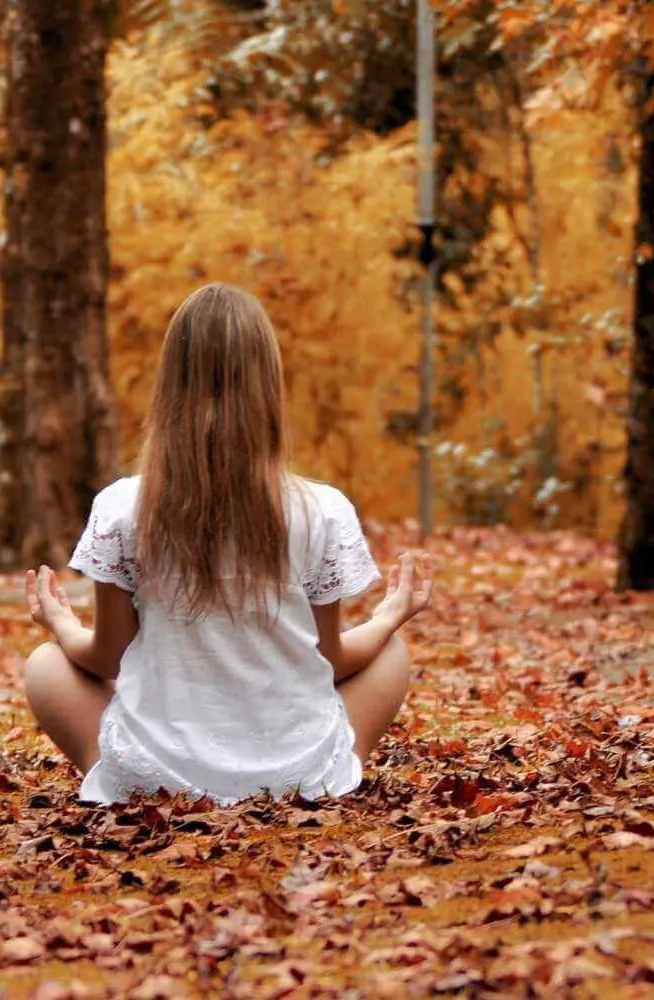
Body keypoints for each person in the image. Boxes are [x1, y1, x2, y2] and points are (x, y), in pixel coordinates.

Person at [23, 283, 432, 806]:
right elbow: (329, 660)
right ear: (268, 386)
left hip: (158, 779)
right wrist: (390, 616)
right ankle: (324, 778)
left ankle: (136, 783)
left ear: (171, 386)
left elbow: (108, 658)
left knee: (46, 663)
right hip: (293, 781)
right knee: (390, 651)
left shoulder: (122, 507)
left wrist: (59, 623)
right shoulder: (322, 510)